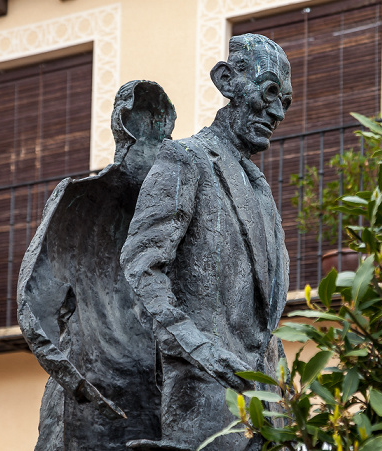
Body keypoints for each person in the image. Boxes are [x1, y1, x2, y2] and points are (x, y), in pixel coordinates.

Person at [120, 33, 292, 451]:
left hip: (271, 415)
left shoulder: (261, 189)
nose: (277, 112)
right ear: (227, 80)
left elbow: (262, 321)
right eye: (269, 91)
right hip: (205, 405)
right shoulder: (186, 159)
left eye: (285, 101)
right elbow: (141, 266)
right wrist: (199, 349)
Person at [18, 81, 176, 450]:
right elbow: (36, 302)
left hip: (157, 399)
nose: (164, 141)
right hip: (92, 396)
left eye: (164, 127)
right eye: (152, 126)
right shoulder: (78, 199)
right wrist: (74, 381)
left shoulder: (176, 204)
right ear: (125, 125)